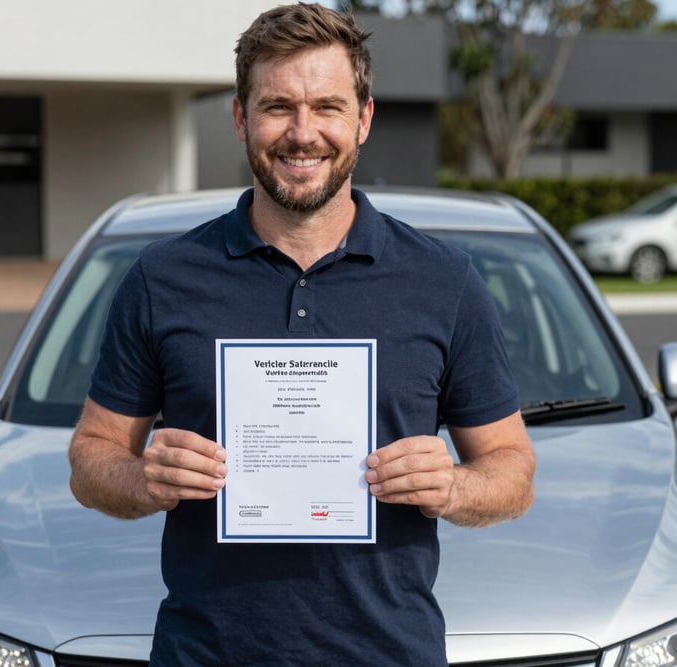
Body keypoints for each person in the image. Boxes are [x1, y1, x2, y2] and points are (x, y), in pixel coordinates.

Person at [68, 2, 536, 664]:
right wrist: (144, 476)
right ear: (240, 117)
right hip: (205, 653)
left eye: (327, 107)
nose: (302, 132)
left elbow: (513, 469)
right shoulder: (163, 277)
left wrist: (456, 487)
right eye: (278, 106)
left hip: (387, 651)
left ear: (363, 119)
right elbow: (91, 456)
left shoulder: (443, 282)